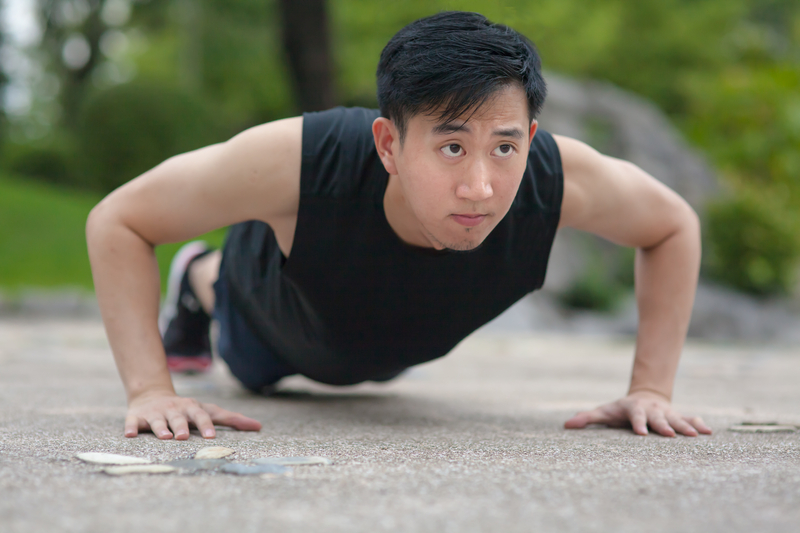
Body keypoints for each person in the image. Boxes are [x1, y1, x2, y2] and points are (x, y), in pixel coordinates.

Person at [86, 11, 712, 441]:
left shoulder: (556, 176)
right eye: (450, 147)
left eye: (504, 146)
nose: (480, 186)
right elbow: (119, 218)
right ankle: (200, 274)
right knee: (245, 340)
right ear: (388, 144)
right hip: (277, 320)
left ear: (532, 137)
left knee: (380, 367)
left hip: (394, 340)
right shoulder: (300, 159)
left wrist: (650, 388)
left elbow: (672, 226)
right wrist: (149, 391)